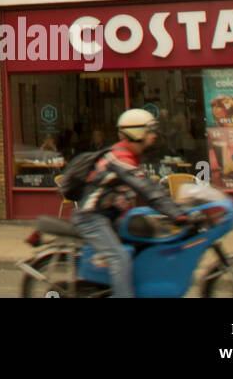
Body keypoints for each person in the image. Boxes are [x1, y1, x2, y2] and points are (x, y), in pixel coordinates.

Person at [72, 108, 187, 298]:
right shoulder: (120, 158)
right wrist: (178, 214)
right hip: (91, 218)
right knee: (120, 258)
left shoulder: (130, 156)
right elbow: (146, 189)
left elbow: (148, 188)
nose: (154, 136)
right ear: (137, 133)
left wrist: (176, 207)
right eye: (150, 131)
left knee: (145, 246)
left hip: (108, 217)